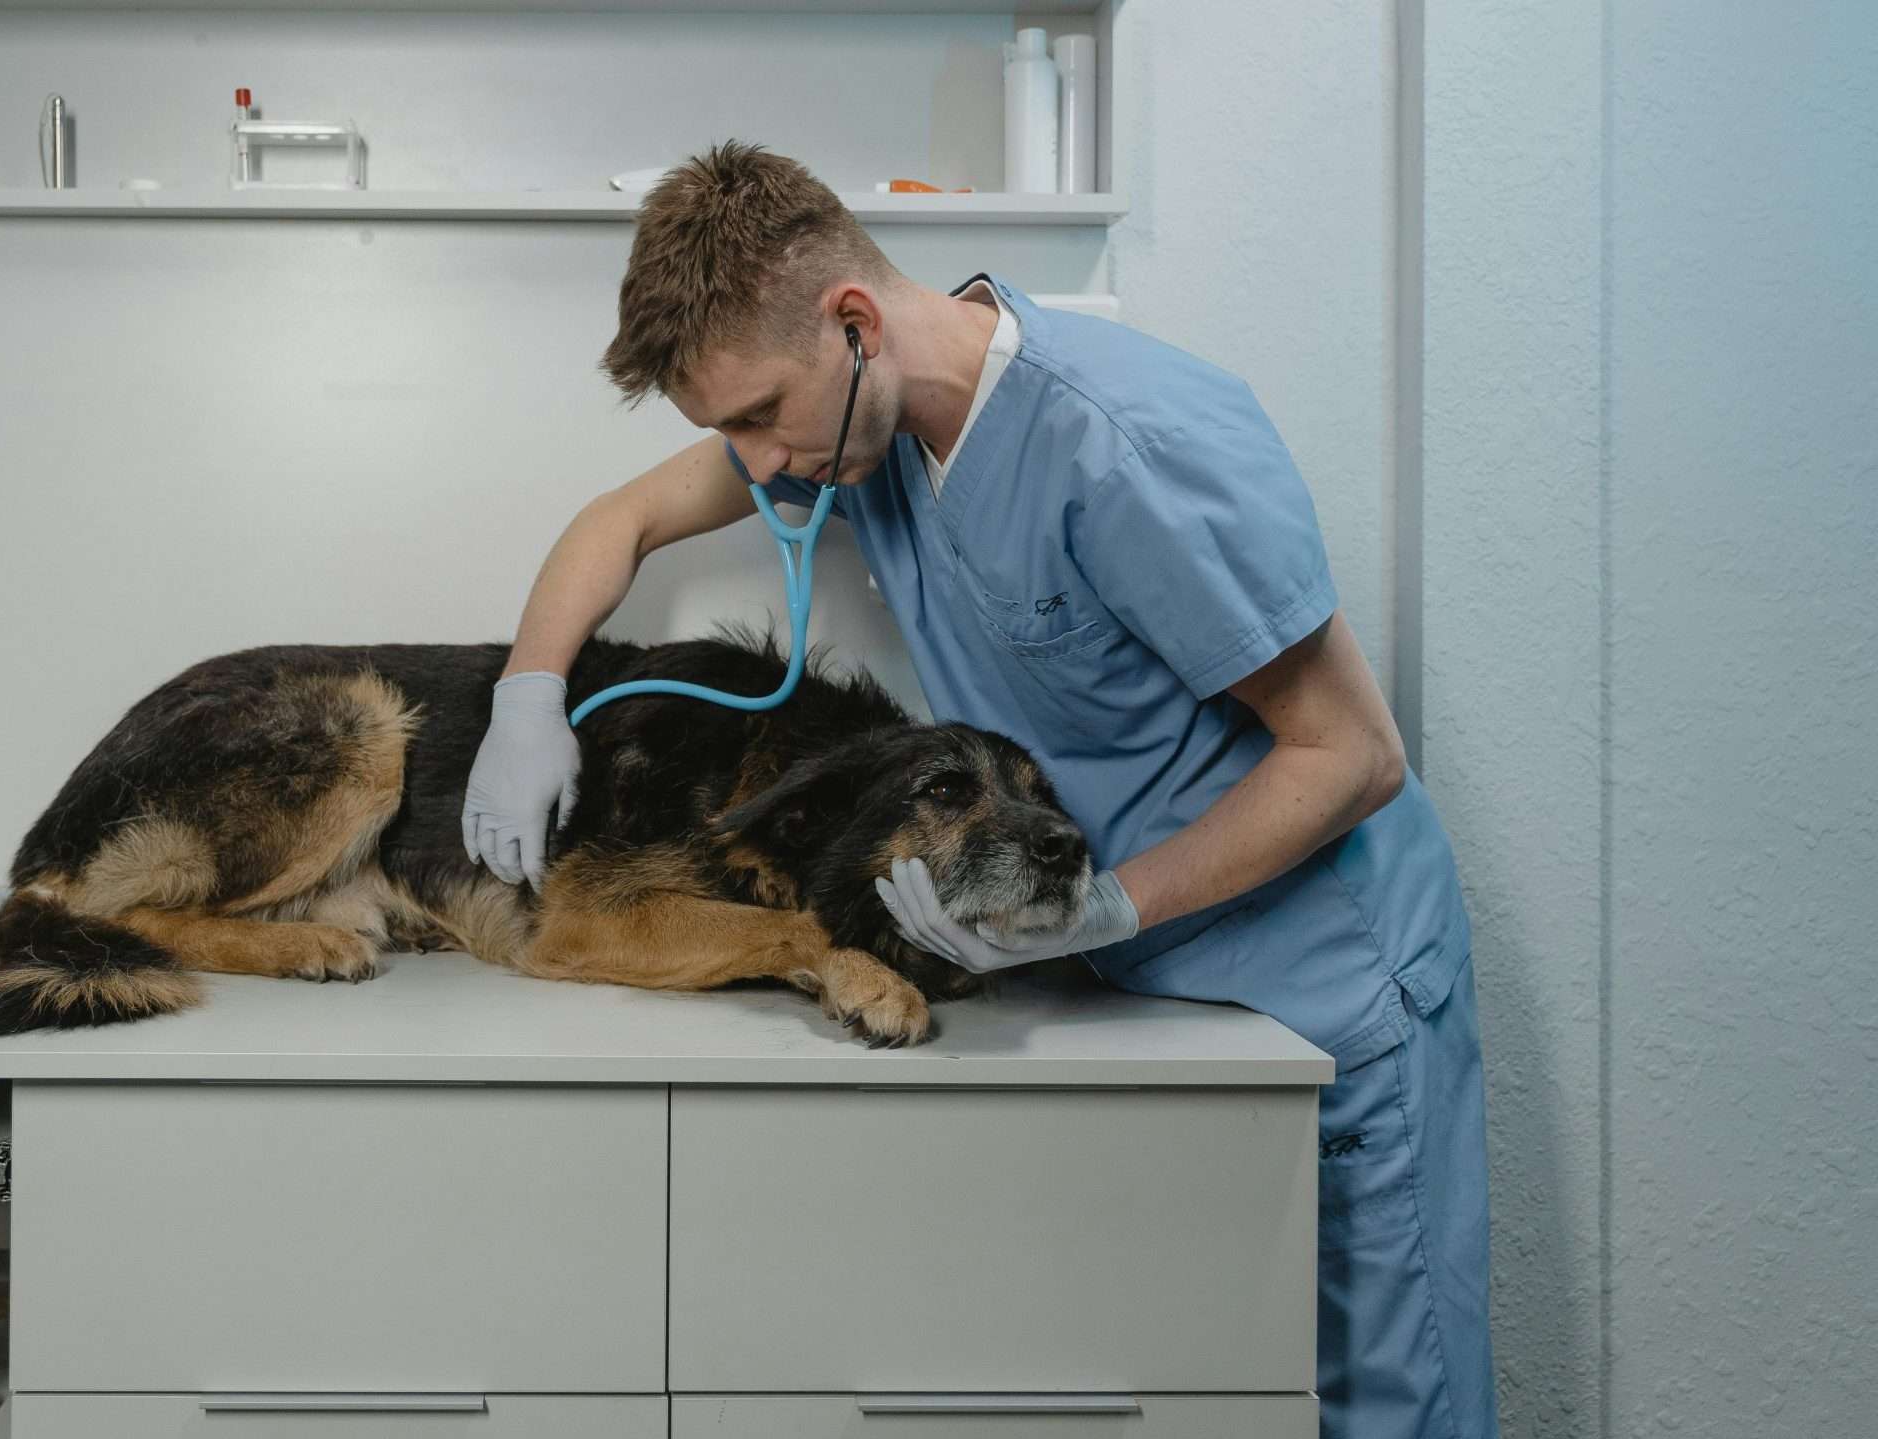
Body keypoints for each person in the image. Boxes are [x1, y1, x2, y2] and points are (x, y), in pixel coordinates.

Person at [460, 142, 1496, 1439]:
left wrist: (1112, 907)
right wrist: (527, 697)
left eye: (759, 416)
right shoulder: (856, 429)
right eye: (726, 433)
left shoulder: (1128, 444)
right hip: (1135, 1002)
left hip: (1314, 988)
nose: (758, 465)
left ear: (852, 326)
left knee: (1377, 1409)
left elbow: (1352, 755)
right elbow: (616, 523)